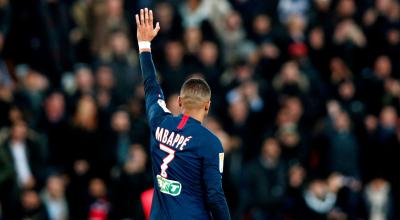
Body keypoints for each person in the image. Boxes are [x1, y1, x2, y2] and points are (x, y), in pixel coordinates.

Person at [135, 8, 230, 220]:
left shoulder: (159, 122)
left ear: (179, 102)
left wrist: (144, 46)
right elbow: (215, 196)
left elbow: (151, 86)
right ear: (207, 106)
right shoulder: (210, 143)